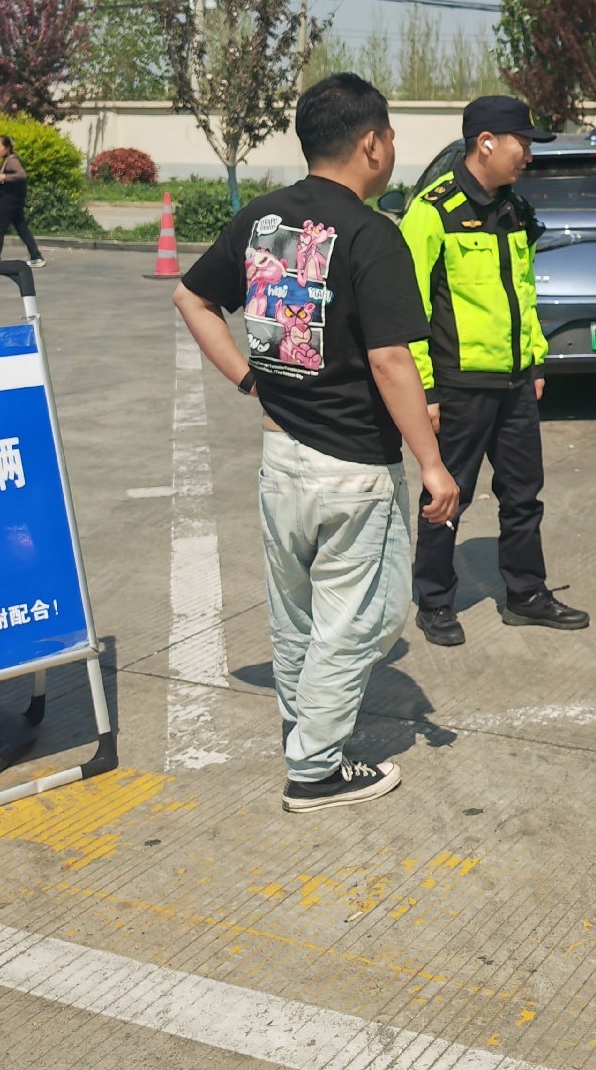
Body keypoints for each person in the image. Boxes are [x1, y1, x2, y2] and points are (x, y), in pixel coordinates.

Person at [174, 73, 459, 812]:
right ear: (371, 144)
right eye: (391, 135)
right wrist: (431, 465)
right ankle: (315, 769)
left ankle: (303, 729)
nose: (392, 147)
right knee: (356, 618)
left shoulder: (264, 221)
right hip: (352, 468)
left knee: (295, 614)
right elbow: (392, 361)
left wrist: (248, 380)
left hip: (281, 457)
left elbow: (191, 297)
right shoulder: (373, 235)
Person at [399, 94, 590, 647]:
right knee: (447, 495)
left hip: (514, 384)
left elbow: (522, 293)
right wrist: (425, 388)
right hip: (458, 384)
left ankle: (526, 595)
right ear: (486, 142)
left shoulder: (516, 209)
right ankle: (434, 600)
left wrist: (533, 360)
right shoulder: (431, 211)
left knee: (524, 493)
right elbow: (409, 308)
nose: (528, 155)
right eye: (522, 143)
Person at [0, 135, 46, 268]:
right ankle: (36, 256)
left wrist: (5, 177)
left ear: (7, 147)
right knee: (21, 228)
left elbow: (22, 175)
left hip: (9, 201)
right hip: (13, 201)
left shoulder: (12, 160)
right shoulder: (7, 160)